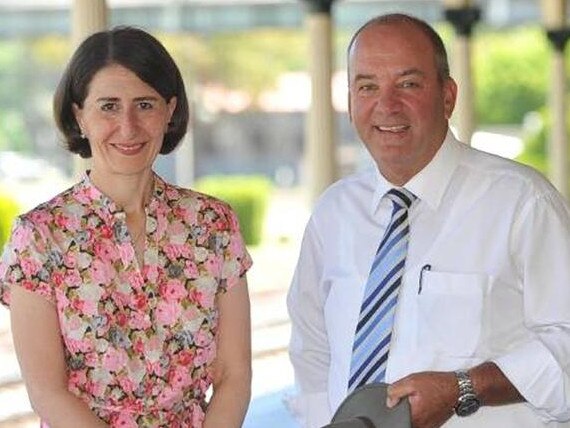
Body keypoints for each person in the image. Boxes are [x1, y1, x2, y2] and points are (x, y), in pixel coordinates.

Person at [287, 13, 570, 428]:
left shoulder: (523, 202)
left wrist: (464, 387)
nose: (387, 105)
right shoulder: (333, 215)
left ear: (448, 96)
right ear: (350, 103)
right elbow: (312, 353)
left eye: (408, 84)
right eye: (367, 86)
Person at [0, 26, 252, 427]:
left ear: (170, 111)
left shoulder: (213, 225)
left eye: (145, 105)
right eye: (109, 106)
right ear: (79, 115)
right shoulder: (39, 237)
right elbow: (47, 391)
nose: (129, 126)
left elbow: (233, 375)